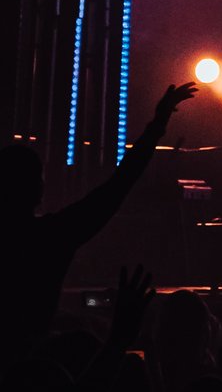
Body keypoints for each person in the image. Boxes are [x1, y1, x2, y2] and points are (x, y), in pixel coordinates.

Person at [1, 81, 196, 359]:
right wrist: (157, 124)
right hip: (28, 365)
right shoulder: (51, 236)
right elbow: (118, 185)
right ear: (36, 188)